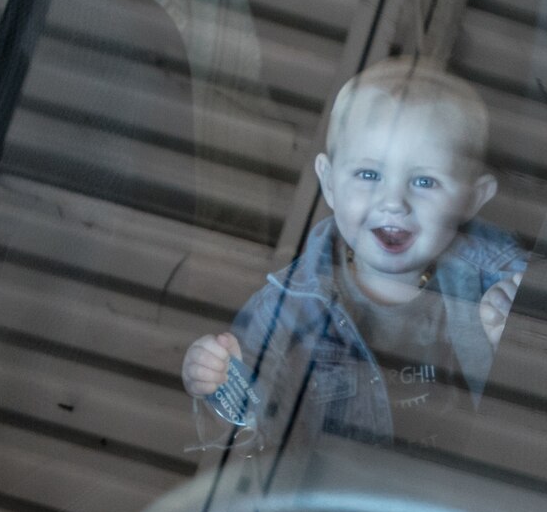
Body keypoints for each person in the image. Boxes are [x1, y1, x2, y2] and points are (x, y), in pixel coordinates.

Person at [181, 57, 526, 447]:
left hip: (464, 498)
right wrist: (212, 377)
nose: (393, 201)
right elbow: (254, 422)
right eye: (368, 175)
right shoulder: (289, 306)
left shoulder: (498, 284)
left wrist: (518, 339)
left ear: (471, 198)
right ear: (328, 184)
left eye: (424, 181)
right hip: (342, 500)